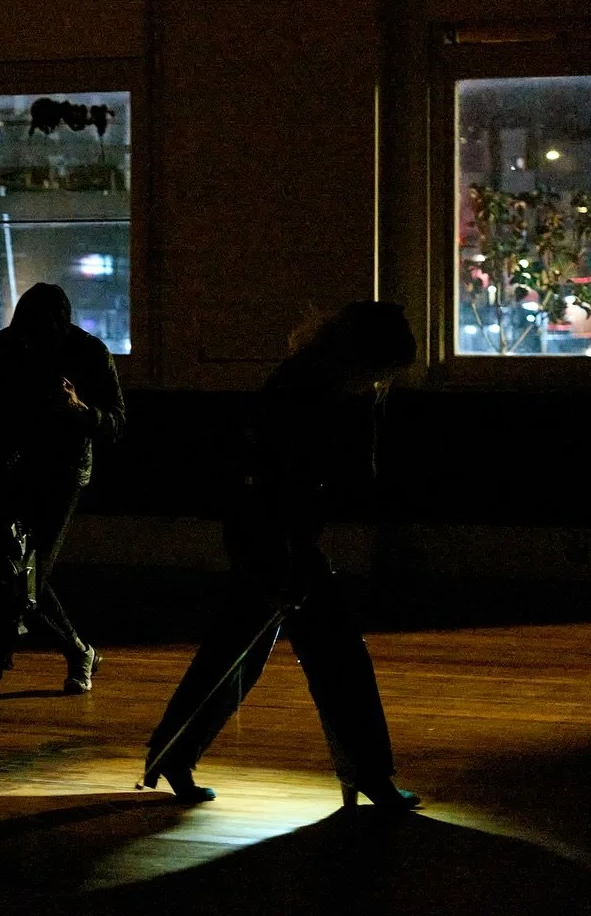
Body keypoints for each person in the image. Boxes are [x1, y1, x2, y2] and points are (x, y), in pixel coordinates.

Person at [141, 301, 421, 809]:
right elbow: (286, 479)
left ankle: (172, 754)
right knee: (336, 658)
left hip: (268, 535)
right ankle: (367, 774)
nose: (381, 383)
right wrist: (289, 554)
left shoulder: (305, 381)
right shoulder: (309, 392)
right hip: (278, 537)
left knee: (237, 652)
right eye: (382, 370)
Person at [0, 282, 126, 703]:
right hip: (13, 469)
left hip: (63, 473)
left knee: (28, 574)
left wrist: (79, 410)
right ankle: (78, 652)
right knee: (18, 572)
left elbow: (117, 423)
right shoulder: (6, 345)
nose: (28, 342)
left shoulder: (89, 354)